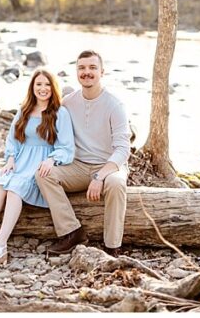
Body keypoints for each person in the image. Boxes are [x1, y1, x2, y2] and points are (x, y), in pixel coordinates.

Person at [0, 69, 74, 267]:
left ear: (53, 88)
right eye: (38, 84)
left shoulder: (60, 113)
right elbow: (13, 139)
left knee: (14, 190)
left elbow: (66, 147)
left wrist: (52, 160)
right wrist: (11, 159)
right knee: (0, 185)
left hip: (40, 165)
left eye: (47, 85)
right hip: (20, 162)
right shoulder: (24, 110)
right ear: (32, 87)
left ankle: (0, 246)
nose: (43, 88)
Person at [36, 50, 131, 256]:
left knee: (116, 183)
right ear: (77, 71)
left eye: (92, 68)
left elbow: (123, 149)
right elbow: (45, 119)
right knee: (44, 174)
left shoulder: (115, 105)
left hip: (109, 166)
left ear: (102, 72)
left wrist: (100, 176)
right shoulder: (68, 102)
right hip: (78, 166)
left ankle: (112, 246)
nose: (86, 72)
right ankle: (72, 232)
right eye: (82, 68)